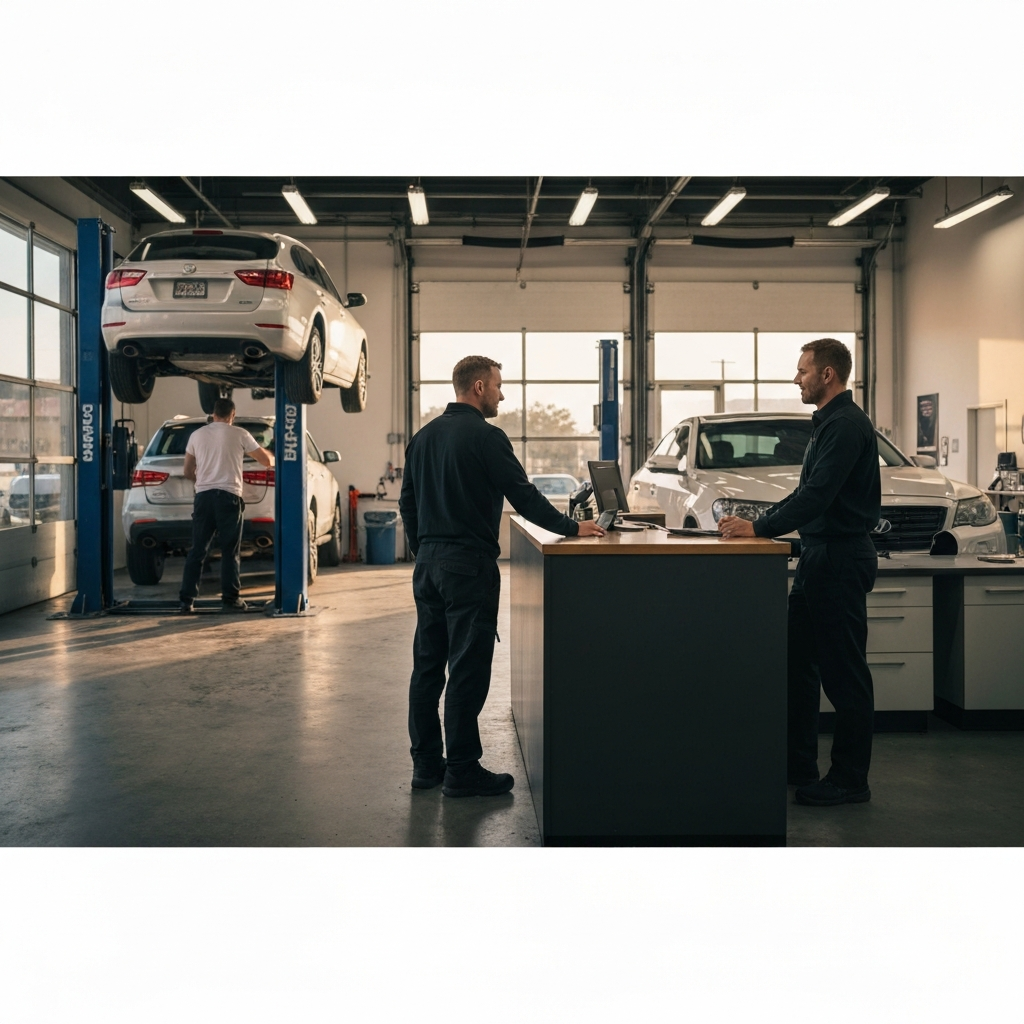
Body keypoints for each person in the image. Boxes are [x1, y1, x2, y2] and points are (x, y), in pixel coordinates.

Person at [399, 355, 606, 797]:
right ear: (477, 387)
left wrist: (424, 549)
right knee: (467, 669)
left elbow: (408, 503)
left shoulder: (422, 438)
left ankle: (426, 767)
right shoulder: (487, 437)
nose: (502, 394)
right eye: (497, 385)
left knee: (427, 668)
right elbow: (525, 497)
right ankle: (462, 770)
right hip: (468, 566)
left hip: (429, 565)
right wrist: (574, 527)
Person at [718, 338, 881, 806]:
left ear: (827, 374)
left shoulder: (847, 425)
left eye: (802, 371)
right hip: (817, 556)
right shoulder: (828, 424)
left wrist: (760, 526)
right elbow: (803, 492)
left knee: (845, 676)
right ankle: (799, 764)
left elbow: (818, 497)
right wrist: (759, 524)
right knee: (800, 667)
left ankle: (851, 780)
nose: (796, 378)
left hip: (840, 558)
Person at [178, 398, 274, 614]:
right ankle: (231, 600)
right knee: (230, 551)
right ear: (233, 415)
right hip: (228, 498)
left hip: (203, 498)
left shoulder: (197, 435)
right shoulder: (240, 434)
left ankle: (186, 601)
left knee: (198, 550)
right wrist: (272, 455)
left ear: (213, 414)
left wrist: (204, 481)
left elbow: (187, 471)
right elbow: (266, 462)